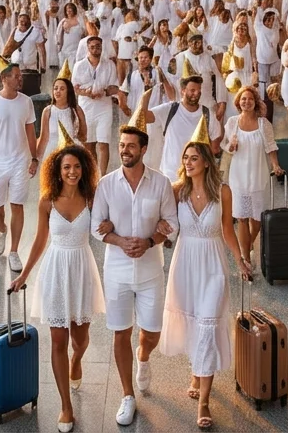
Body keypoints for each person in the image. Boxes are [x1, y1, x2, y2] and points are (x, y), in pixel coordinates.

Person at [10, 136, 106, 433]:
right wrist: (24, 274)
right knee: (57, 340)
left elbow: (106, 223)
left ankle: (77, 360)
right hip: (55, 269)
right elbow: (40, 240)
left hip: (81, 268)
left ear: (84, 169)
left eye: (77, 166)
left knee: (80, 339)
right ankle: (65, 405)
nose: (72, 172)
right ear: (58, 169)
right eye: (67, 167)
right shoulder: (47, 201)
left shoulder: (92, 198)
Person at [160, 130, 251, 430]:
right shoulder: (176, 191)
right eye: (185, 158)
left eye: (194, 158)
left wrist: (240, 259)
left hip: (213, 264)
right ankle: (196, 372)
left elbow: (227, 229)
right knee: (192, 321)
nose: (188, 162)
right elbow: (164, 223)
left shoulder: (222, 192)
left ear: (207, 162)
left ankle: (204, 402)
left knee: (209, 324)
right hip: (185, 263)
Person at [92, 123, 178, 426]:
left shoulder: (161, 183)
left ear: (143, 149)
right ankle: (127, 394)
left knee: (152, 331)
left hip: (151, 268)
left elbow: (172, 222)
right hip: (115, 269)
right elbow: (96, 226)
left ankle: (143, 356)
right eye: (121, 144)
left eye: (130, 146)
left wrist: (151, 240)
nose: (124, 150)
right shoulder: (106, 184)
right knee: (120, 330)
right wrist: (118, 240)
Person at [0, 53, 39, 273]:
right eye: (16, 76)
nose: (20, 79)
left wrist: (35, 157)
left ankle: (14, 251)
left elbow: (31, 132)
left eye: (20, 76)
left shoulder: (26, 102)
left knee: (18, 205)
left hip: (20, 161)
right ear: (5, 78)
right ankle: (1, 228)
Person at [223, 85, 282, 260]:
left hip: (258, 175)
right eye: (243, 99)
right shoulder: (232, 123)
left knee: (256, 220)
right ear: (238, 102)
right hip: (238, 176)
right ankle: (245, 258)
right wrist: (231, 146)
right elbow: (225, 146)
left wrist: (276, 165)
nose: (246, 102)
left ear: (255, 102)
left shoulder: (264, 124)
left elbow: (271, 147)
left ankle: (248, 245)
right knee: (242, 217)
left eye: (250, 99)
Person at [144, 62, 222, 175]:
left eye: (199, 91)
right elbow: (145, 117)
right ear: (183, 90)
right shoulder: (170, 109)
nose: (196, 94)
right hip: (171, 174)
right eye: (192, 90)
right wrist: (146, 95)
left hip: (196, 176)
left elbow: (215, 141)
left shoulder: (207, 113)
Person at [73, 34, 120, 170]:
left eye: (98, 47)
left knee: (104, 142)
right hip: (86, 108)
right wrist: (86, 93)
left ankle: (103, 175)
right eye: (92, 47)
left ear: (101, 48)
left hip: (104, 108)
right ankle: (94, 174)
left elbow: (115, 87)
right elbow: (75, 88)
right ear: (88, 48)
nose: (95, 49)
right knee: (89, 144)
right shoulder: (79, 66)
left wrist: (104, 92)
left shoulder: (109, 65)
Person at [38, 61, 88, 160]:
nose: (58, 91)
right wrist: (36, 159)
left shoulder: (76, 110)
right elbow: (43, 138)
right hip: (51, 153)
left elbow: (83, 136)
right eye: (55, 88)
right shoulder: (48, 111)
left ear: (68, 91)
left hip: (70, 151)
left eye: (62, 89)